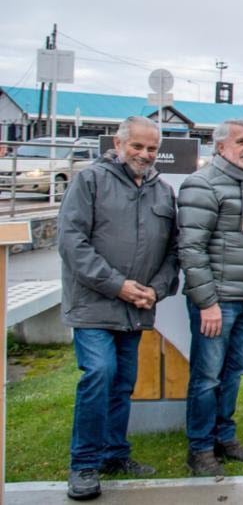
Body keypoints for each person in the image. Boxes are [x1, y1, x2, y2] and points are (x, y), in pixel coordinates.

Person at [59, 117, 178, 501]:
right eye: (138, 147)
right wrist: (119, 286)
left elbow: (172, 250)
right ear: (119, 142)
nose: (145, 154)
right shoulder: (90, 180)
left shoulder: (161, 191)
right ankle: (84, 464)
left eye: (152, 149)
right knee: (99, 373)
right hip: (94, 304)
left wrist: (155, 291)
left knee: (123, 382)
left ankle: (114, 453)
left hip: (137, 308)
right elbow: (72, 241)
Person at [178, 118, 243, 476]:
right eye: (242, 141)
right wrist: (207, 303)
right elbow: (191, 249)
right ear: (220, 147)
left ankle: (224, 436)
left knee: (233, 373)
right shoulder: (202, 185)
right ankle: (200, 448)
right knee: (207, 377)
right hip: (218, 301)